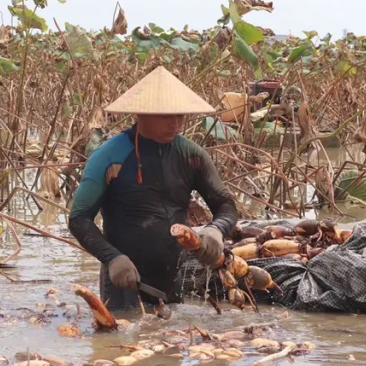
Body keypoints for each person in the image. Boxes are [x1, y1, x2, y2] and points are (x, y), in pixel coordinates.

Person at [68, 66, 238, 312]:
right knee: (119, 344)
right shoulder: (108, 156)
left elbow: (226, 206)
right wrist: (111, 257)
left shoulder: (191, 155)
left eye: (180, 116)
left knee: (174, 344)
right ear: (141, 114)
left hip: (172, 277)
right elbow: (78, 219)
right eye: (165, 117)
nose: (175, 124)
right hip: (123, 279)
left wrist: (216, 229)